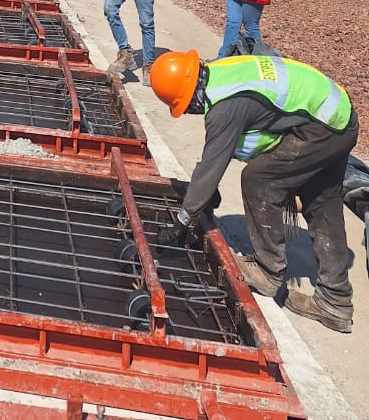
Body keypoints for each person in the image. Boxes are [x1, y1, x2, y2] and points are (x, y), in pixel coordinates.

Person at [150, 50, 358, 334]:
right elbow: (219, 155)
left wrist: (182, 222)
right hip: (339, 116)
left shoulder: (224, 106)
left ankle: (267, 270)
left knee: (259, 179)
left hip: (322, 126)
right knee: (322, 203)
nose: (190, 112)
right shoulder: (221, 73)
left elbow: (212, 164)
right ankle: (335, 302)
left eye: (185, 106)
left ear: (189, 96)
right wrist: (206, 191)